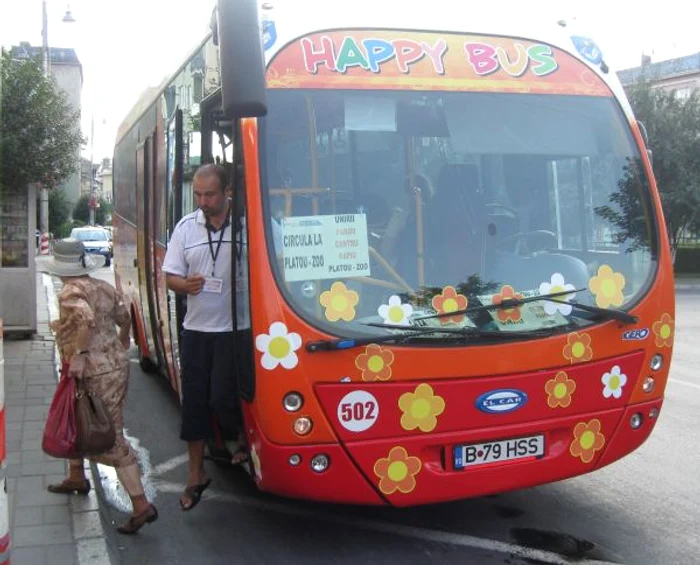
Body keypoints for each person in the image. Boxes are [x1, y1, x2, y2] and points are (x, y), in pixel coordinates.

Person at [37, 239, 157, 535]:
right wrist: (124, 337)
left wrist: (79, 355)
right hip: (115, 365)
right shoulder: (100, 287)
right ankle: (76, 475)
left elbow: (86, 320)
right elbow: (124, 314)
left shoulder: (71, 291)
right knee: (76, 417)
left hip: (92, 371)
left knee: (107, 433)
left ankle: (141, 505)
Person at [163, 163, 248, 512]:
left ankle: (236, 441)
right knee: (194, 406)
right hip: (197, 330)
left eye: (209, 194)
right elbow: (170, 276)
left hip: (236, 329)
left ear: (227, 191)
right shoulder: (186, 228)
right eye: (198, 194)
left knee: (222, 398)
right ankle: (195, 475)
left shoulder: (247, 226)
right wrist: (186, 285)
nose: (202, 201)